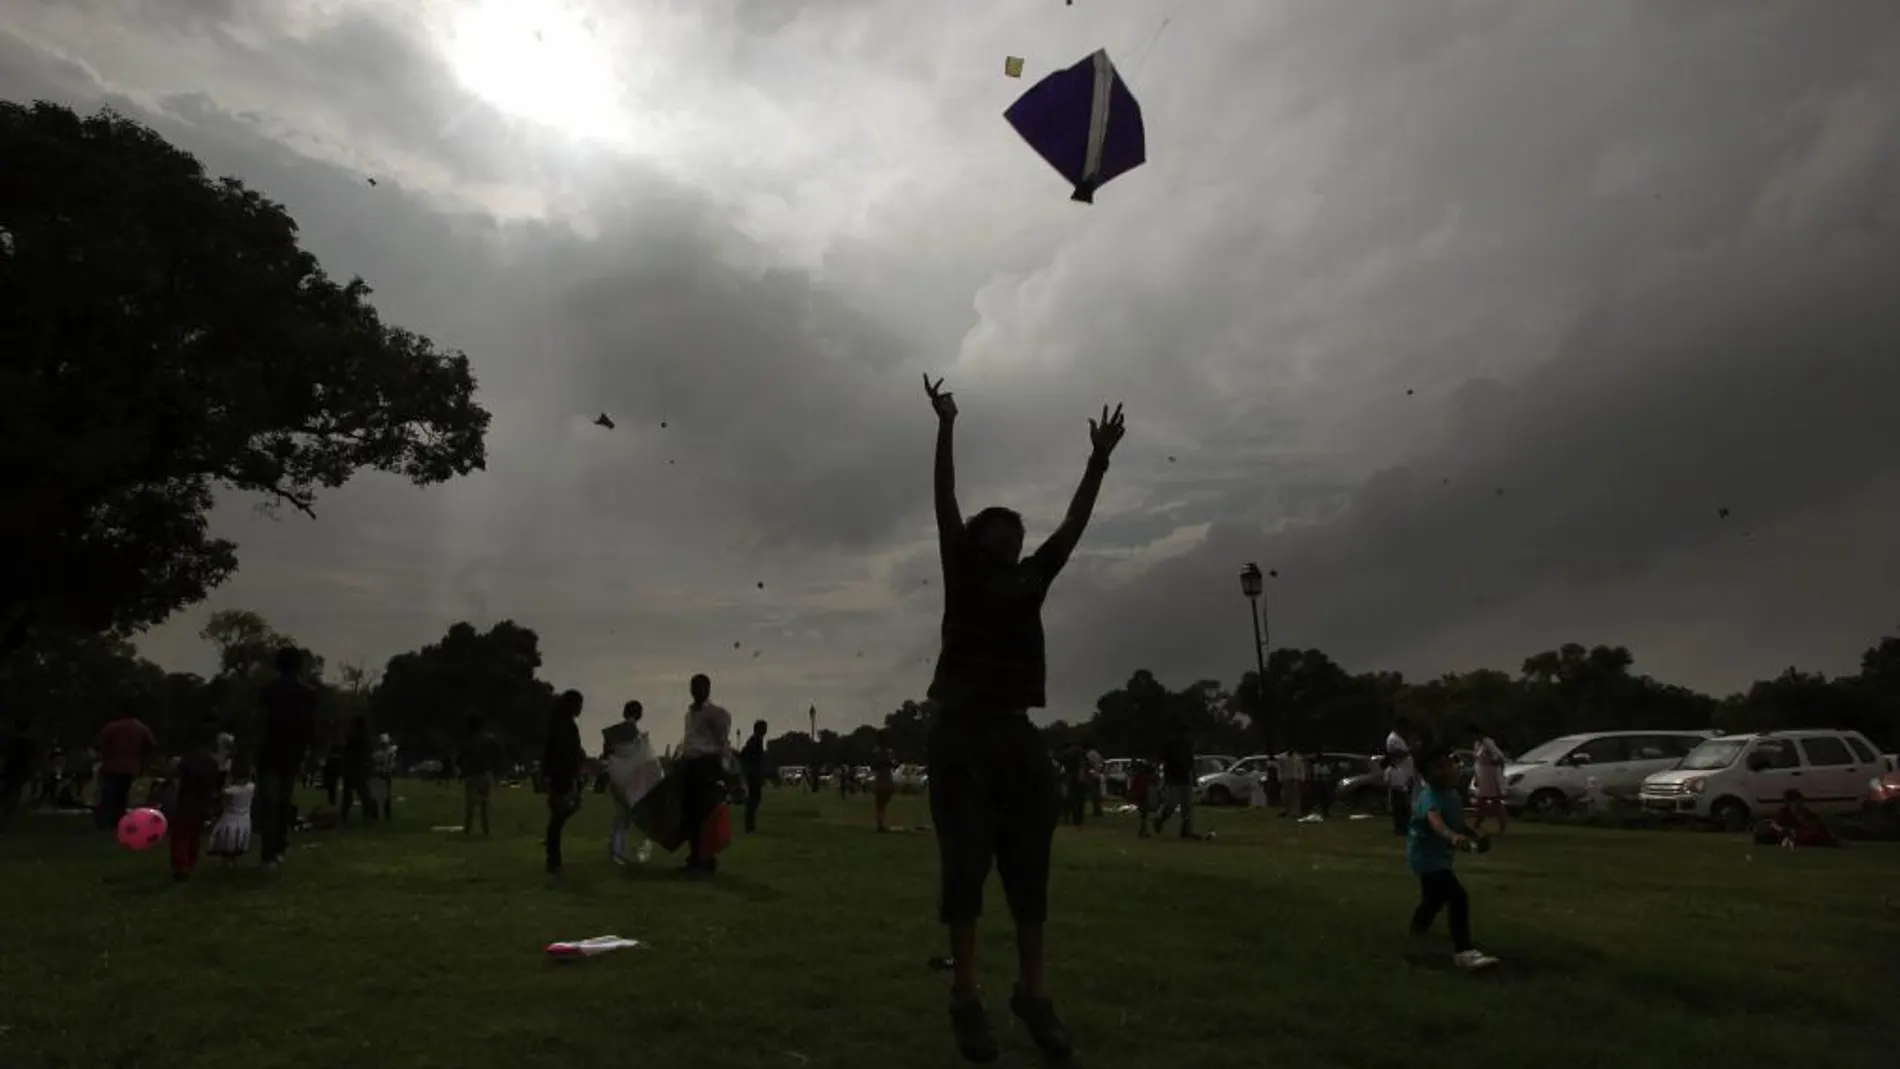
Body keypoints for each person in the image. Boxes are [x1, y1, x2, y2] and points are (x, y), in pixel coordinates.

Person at [921, 373, 1123, 1064]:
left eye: (1015, 532)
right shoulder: (962, 569)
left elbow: (1073, 525)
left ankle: (1033, 993)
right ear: (976, 541)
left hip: (1014, 732)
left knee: (1029, 869)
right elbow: (944, 499)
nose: (1009, 538)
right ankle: (967, 994)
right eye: (997, 531)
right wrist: (947, 423)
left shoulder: (1033, 577)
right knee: (966, 865)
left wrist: (1098, 460)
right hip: (960, 734)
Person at [1408, 746, 1500, 970]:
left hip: (1440, 857)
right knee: (1457, 897)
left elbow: (1457, 822)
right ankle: (1464, 952)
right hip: (1426, 859)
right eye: (1438, 768)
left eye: (1448, 765)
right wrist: (1452, 837)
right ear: (1425, 775)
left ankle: (1416, 932)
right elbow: (1436, 823)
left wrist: (1475, 836)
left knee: (1434, 900)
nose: (1446, 771)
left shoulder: (1452, 795)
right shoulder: (1428, 798)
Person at [254, 647, 318, 869]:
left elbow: (260, 724)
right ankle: (279, 847)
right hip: (293, 753)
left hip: (269, 753)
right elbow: (311, 726)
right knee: (283, 802)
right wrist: (311, 753)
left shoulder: (268, 691)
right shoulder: (308, 694)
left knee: (270, 805)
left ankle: (269, 853)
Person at [677, 674, 733, 874]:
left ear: (708, 689)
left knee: (704, 815)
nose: (696, 691)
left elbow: (722, 742)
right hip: (690, 765)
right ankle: (695, 857)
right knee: (690, 814)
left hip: (706, 765)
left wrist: (723, 769)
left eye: (701, 687)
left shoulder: (717, 714)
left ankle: (706, 859)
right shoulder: (690, 714)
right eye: (694, 687)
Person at [605, 701, 662, 862]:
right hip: (630, 779)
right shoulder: (635, 735)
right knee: (625, 819)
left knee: (619, 817)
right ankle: (617, 851)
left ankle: (616, 849)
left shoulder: (614, 733)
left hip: (617, 777)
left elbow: (608, 752)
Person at [93, 704, 157, 831]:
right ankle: (118, 820)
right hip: (130, 767)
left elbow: (98, 742)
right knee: (122, 795)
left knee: (109, 795)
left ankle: (104, 822)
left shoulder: (113, 726)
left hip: (111, 765)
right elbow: (152, 744)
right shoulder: (140, 728)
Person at [170, 726, 222, 882]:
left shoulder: (187, 761)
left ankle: (181, 865)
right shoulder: (212, 763)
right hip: (203, 803)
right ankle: (191, 862)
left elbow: (175, 773)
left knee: (181, 836)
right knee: (194, 836)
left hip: (186, 803)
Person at [543, 690, 586, 875]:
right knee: (561, 814)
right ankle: (553, 857)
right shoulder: (566, 726)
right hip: (563, 775)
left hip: (560, 775)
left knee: (560, 815)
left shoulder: (559, 723)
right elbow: (566, 753)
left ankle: (553, 855)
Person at [460, 716, 506, 838]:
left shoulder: (468, 741)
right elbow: (500, 749)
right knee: (484, 805)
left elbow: (462, 757)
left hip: (472, 775)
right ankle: (485, 829)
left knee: (470, 805)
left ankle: (468, 829)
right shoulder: (488, 740)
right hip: (485, 774)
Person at [1152, 726, 1199, 840]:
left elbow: (1191, 762)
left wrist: (1194, 777)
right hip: (1172, 779)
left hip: (1184, 779)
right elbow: (1160, 760)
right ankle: (1160, 819)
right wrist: (1158, 774)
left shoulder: (1186, 746)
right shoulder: (1168, 746)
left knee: (1187, 806)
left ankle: (1186, 831)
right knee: (1171, 804)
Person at [208, 761, 255, 863]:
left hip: (230, 819)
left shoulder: (230, 791)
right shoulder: (251, 788)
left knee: (227, 842)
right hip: (244, 819)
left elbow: (222, 803)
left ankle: (227, 861)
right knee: (237, 842)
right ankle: (232, 861)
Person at [1757, 789, 1839, 848]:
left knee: (1818, 835)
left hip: (1805, 834)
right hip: (1796, 836)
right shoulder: (1784, 813)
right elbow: (1780, 829)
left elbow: (1817, 822)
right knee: (1812, 836)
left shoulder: (1804, 811)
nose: (1800, 804)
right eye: (1796, 802)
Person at [1468, 726, 1509, 836]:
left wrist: (1492, 761)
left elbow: (1500, 757)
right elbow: (1477, 760)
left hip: (1490, 775)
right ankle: (1477, 824)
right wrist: (1476, 776)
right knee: (1481, 802)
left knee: (1494, 801)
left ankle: (1502, 826)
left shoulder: (1488, 742)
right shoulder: (1477, 744)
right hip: (1481, 776)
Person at [338, 717, 376, 827]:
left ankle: (344, 817)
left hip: (351, 769)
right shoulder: (361, 736)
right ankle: (366, 817)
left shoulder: (351, 734)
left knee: (349, 797)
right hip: (357, 768)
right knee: (364, 795)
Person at [0, 718, 36, 831]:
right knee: (12, 798)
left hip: (10, 772)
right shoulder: (27, 744)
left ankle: (5, 821)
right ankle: (4, 822)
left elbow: (5, 757)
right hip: (20, 774)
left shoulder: (11, 742)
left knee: (8, 796)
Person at [1386, 716, 1417, 838]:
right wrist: (1410, 750)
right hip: (1399, 774)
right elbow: (1394, 753)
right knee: (1399, 803)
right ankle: (1400, 828)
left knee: (1405, 803)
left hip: (1405, 773)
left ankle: (1404, 827)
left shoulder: (1399, 738)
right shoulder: (1393, 738)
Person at [740, 719, 768, 834]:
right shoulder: (756, 740)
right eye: (764, 728)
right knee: (754, 800)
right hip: (753, 774)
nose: (766, 730)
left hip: (753, 773)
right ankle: (749, 826)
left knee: (754, 800)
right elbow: (745, 754)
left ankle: (750, 826)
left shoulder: (756, 740)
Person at [870, 730, 897, 832]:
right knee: (882, 804)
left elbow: (873, 767)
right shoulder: (888, 753)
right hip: (885, 779)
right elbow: (892, 764)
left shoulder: (876, 752)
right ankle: (880, 824)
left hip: (881, 779)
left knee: (880, 804)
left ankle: (880, 824)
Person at [1127, 759, 1158, 838]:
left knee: (1144, 815)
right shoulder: (1141, 777)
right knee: (1144, 815)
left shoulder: (1141, 776)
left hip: (1143, 797)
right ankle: (1143, 830)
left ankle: (1143, 830)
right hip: (1142, 797)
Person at [212, 720, 236, 793]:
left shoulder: (219, 735)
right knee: (223, 781)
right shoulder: (229, 737)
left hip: (219, 761)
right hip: (225, 763)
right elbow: (233, 748)